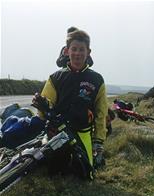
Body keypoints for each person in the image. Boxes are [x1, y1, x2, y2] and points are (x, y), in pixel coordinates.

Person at [33, 29, 108, 178]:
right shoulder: (56, 77)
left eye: (82, 50)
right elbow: (44, 108)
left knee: (86, 176)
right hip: (58, 132)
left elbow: (101, 112)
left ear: (88, 52)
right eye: (74, 49)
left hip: (83, 133)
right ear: (67, 51)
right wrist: (41, 107)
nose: (77, 53)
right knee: (54, 172)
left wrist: (98, 141)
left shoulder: (97, 79)